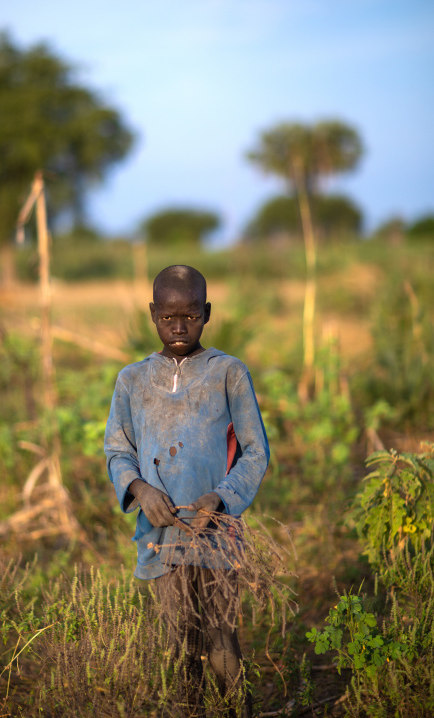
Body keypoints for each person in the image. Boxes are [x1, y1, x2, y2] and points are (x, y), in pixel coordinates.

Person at [104, 265, 269, 717]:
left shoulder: (228, 373)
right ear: (153, 314)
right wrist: (139, 488)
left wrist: (220, 498)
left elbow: (256, 452)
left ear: (207, 313)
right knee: (179, 642)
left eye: (191, 317)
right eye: (168, 317)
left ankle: (238, 710)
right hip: (160, 535)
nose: (179, 327)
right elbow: (118, 450)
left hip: (216, 531)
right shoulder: (132, 381)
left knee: (221, 639)